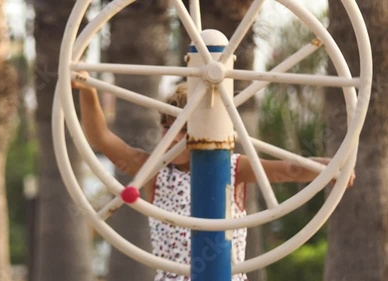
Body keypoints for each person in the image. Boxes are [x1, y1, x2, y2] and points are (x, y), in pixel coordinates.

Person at [71, 72, 355, 281]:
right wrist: (88, 90)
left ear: (204, 129)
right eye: (167, 128)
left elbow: (287, 169)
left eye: (183, 129)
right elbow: (100, 136)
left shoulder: (232, 168)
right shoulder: (153, 171)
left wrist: (327, 167)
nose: (173, 138)